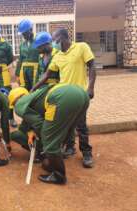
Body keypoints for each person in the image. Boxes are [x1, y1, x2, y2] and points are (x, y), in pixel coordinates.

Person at [32, 29, 96, 168]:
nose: (53, 43)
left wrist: (90, 87)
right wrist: (34, 88)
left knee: (81, 125)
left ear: (62, 38)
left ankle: (86, 153)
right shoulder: (58, 56)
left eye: (54, 40)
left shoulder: (81, 47)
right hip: (64, 97)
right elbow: (47, 75)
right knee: (65, 125)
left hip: (79, 95)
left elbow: (92, 66)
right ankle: (70, 148)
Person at [9, 83, 89, 184]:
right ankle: (58, 154)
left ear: (14, 101)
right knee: (68, 128)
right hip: (80, 92)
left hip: (60, 96)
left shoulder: (19, 105)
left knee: (49, 139)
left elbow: (39, 124)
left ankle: (59, 176)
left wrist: (46, 143)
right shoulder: (35, 97)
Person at [15, 19, 39, 91]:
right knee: (24, 89)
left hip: (35, 71)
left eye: (24, 33)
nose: (23, 36)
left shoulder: (38, 41)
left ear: (30, 30)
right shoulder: (22, 45)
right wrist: (17, 74)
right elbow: (20, 59)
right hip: (24, 71)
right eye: (22, 34)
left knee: (35, 89)